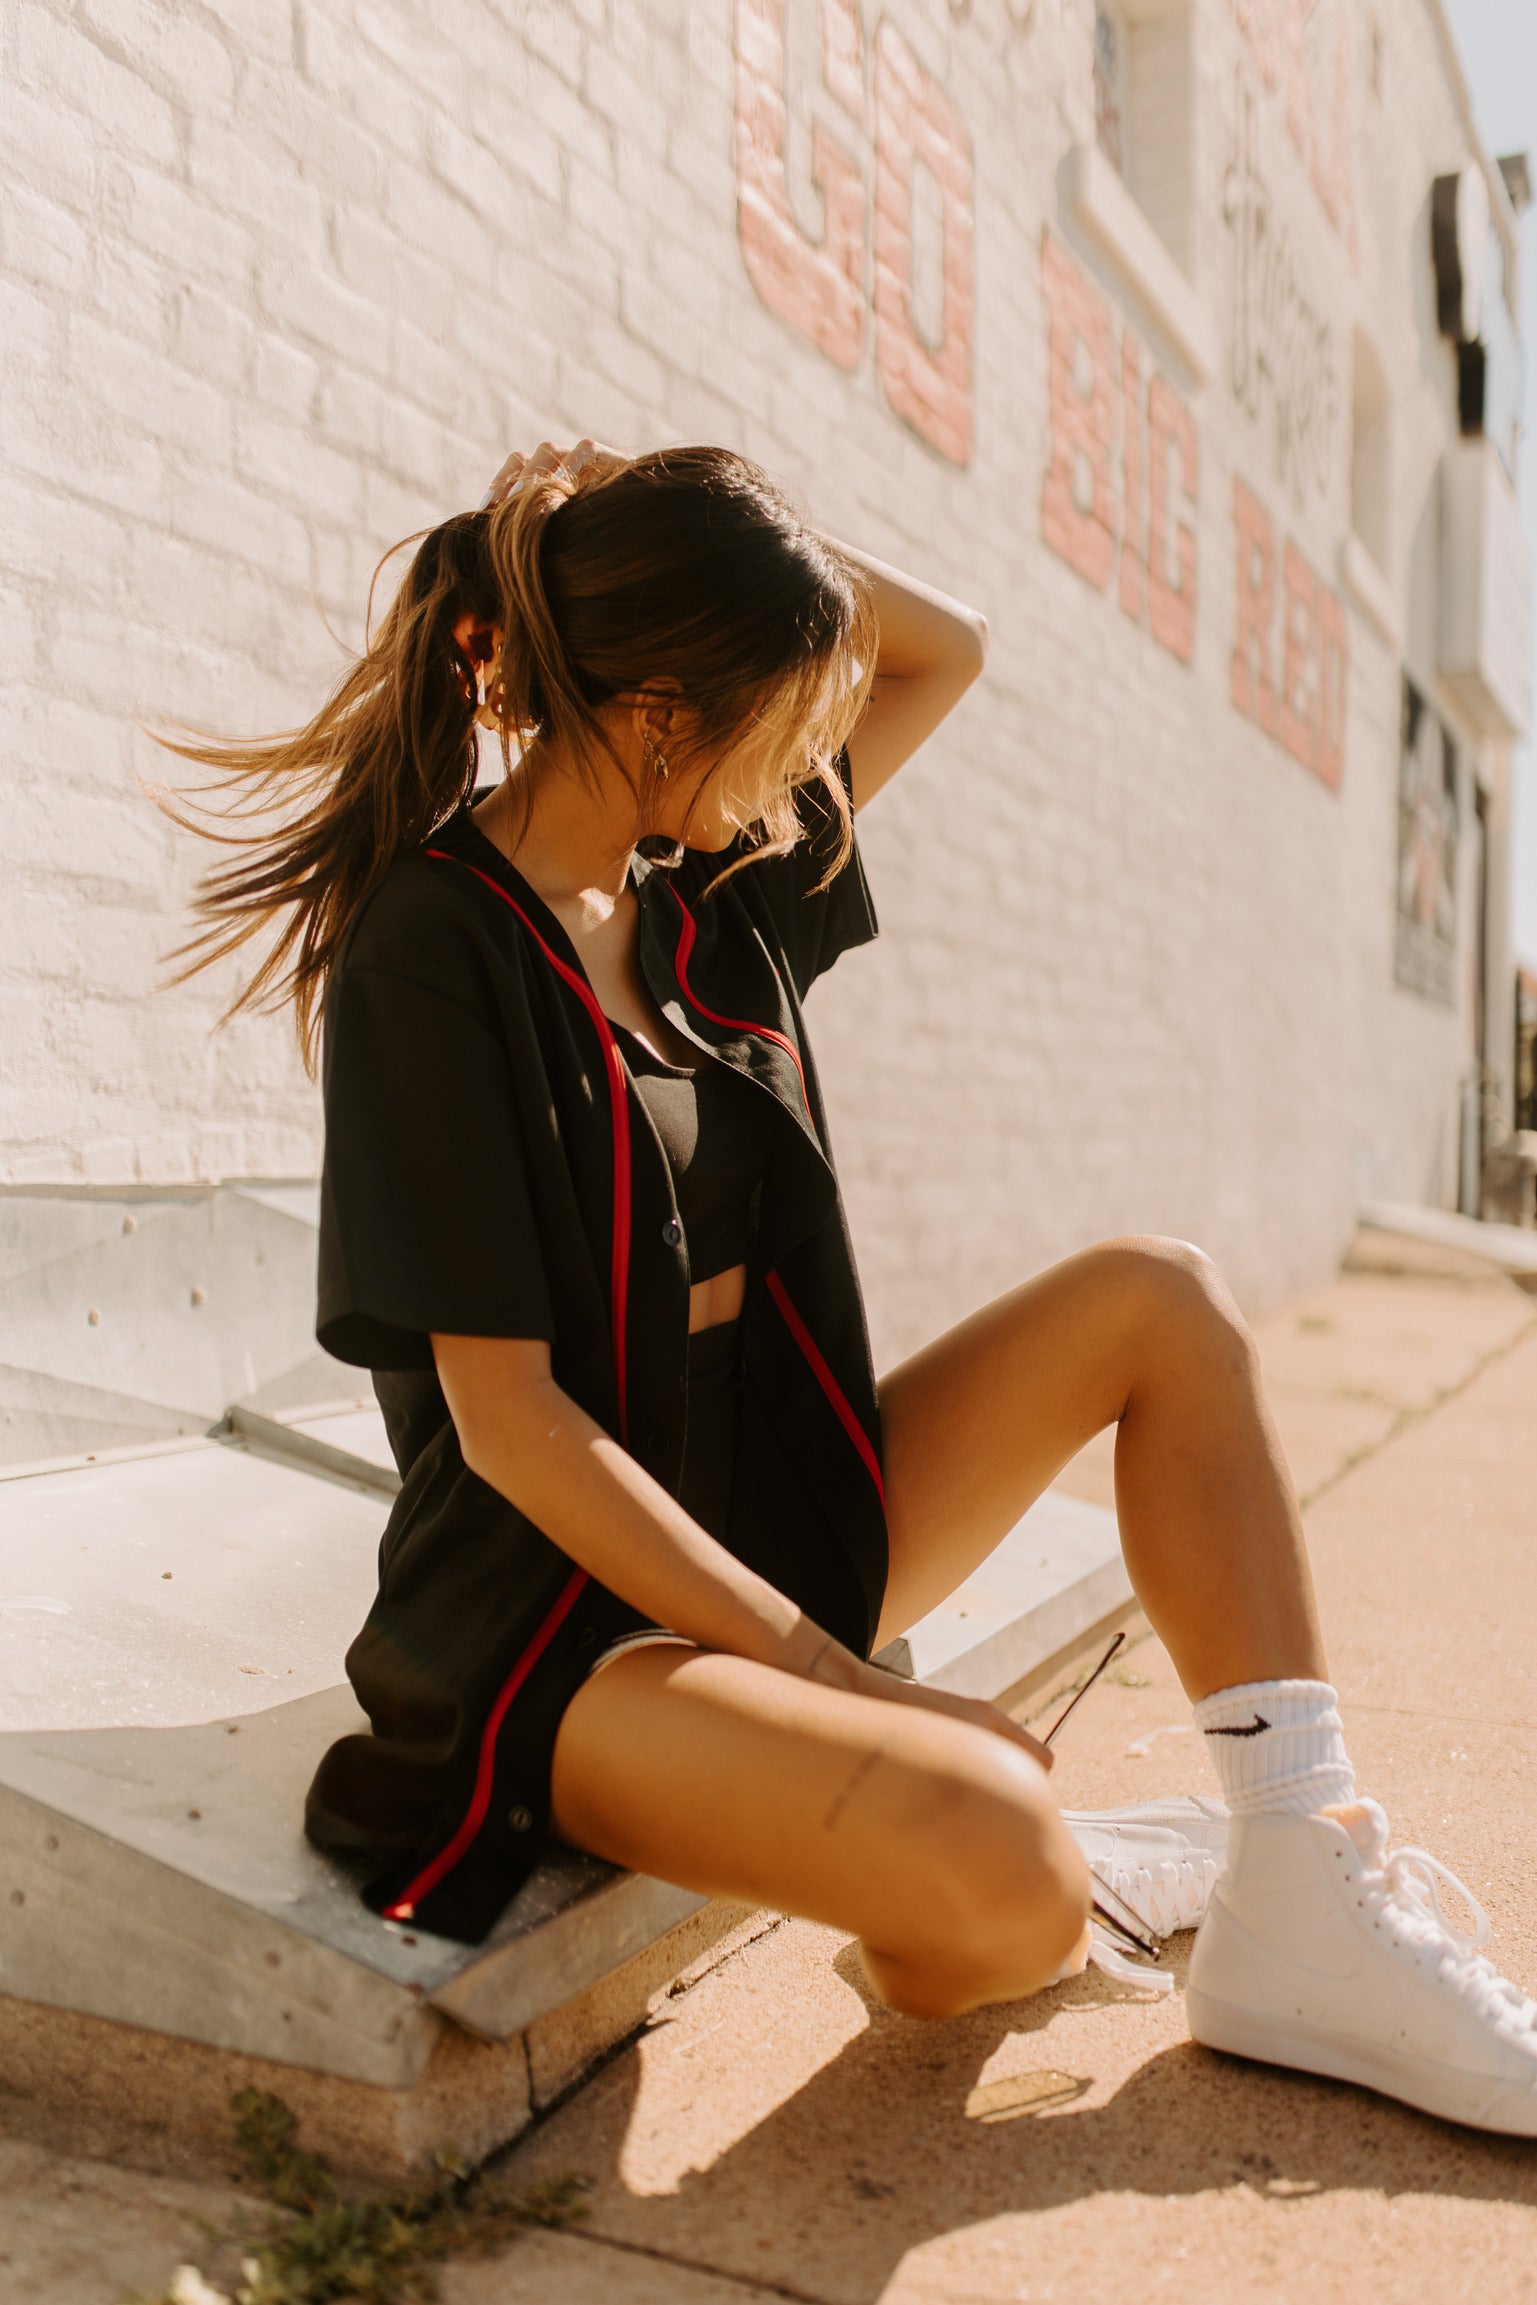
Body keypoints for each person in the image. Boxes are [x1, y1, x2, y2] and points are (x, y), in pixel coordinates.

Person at [166, 440, 1536, 2132]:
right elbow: (510, 1429)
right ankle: (1060, 1863)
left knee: (1159, 1298)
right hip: (566, 1622)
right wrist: (832, 1674)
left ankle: (1305, 1877)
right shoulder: (433, 948)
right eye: (782, 718)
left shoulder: (704, 893)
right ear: (666, 715)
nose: (810, 760)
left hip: (777, 1499)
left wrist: (633, 514)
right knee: (1003, 1859)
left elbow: (942, 642)